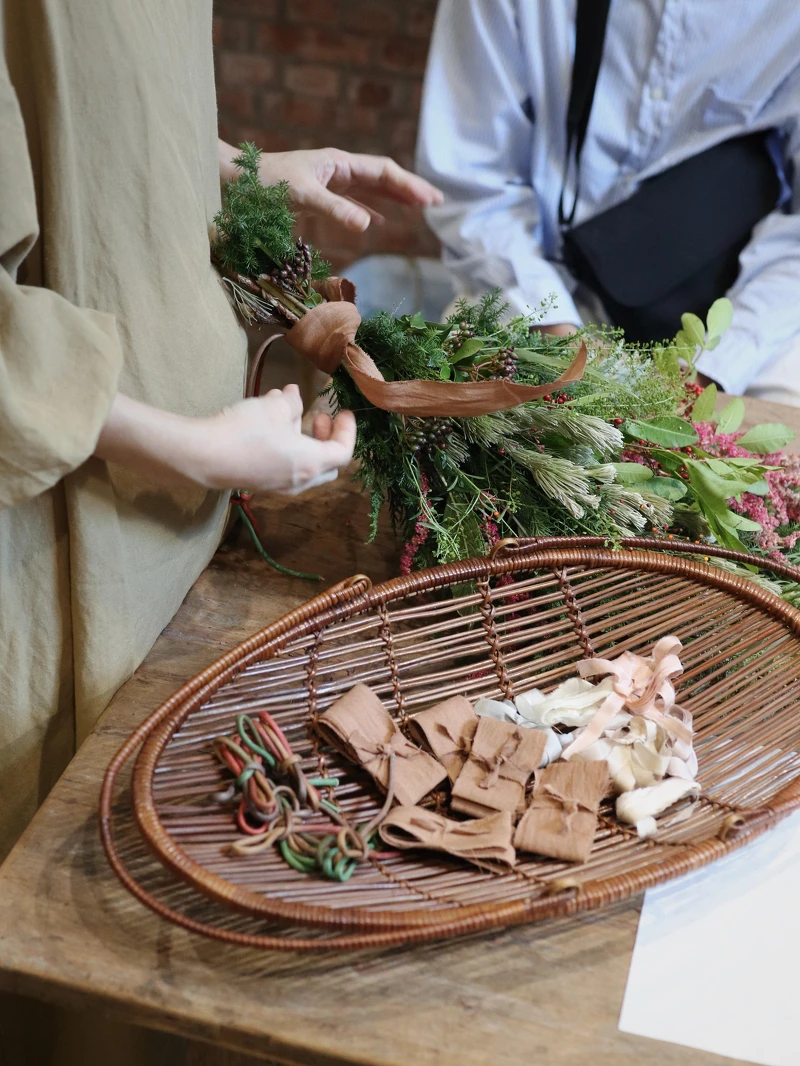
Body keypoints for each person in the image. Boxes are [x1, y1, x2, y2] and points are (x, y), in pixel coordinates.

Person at [0, 0, 440, 870]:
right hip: (53, 551)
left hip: (177, 536)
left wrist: (241, 166)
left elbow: (75, 105)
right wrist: (198, 448)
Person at [416, 0, 800, 404]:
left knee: (771, 443)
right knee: (469, 424)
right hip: (533, 280)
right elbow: (474, 179)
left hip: (743, 303)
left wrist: (713, 368)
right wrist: (557, 342)